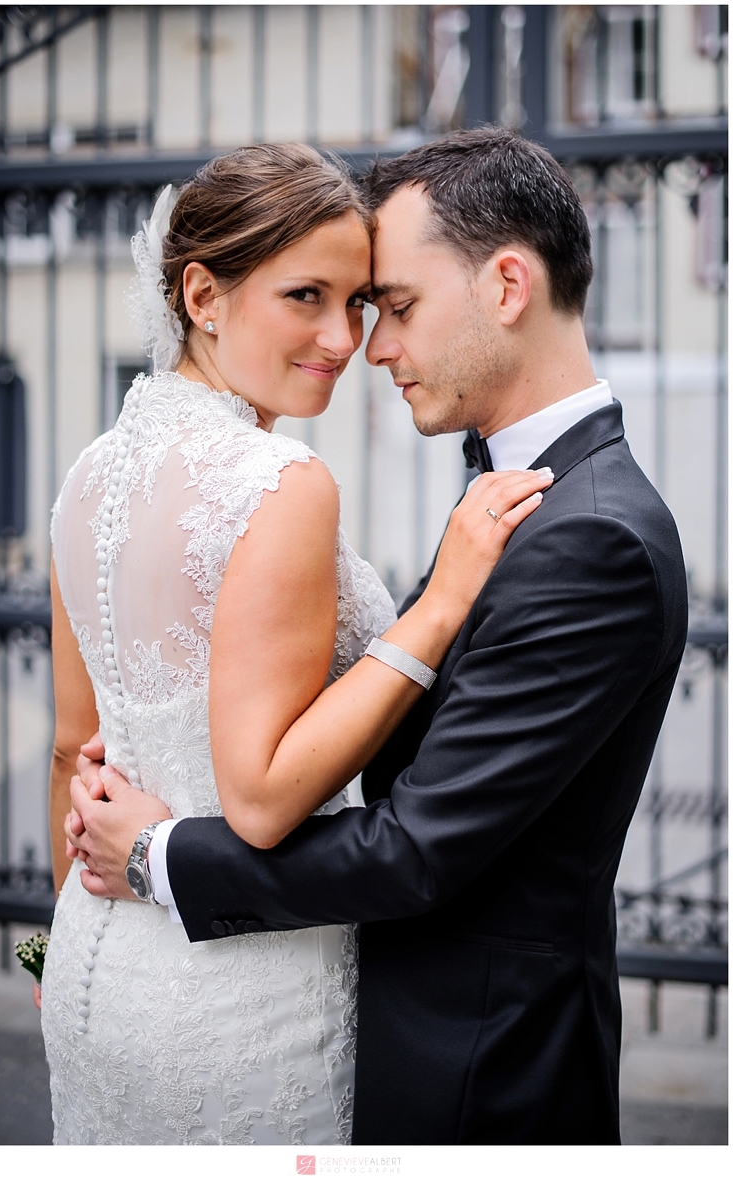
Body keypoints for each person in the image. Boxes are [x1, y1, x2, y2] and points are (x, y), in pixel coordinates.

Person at [69, 128, 688, 1145]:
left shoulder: (596, 539)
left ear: (505, 285)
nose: (373, 345)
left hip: (477, 1071)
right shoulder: (525, 497)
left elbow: (415, 847)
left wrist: (154, 849)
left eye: (391, 305)